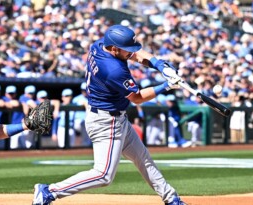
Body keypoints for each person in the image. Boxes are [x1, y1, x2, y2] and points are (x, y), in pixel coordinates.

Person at [32, 25, 186, 205]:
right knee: (103, 175)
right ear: (114, 49)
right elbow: (136, 98)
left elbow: (136, 53)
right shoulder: (114, 70)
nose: (131, 53)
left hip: (114, 117)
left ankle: (171, 199)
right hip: (106, 121)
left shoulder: (99, 45)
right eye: (126, 50)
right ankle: (49, 191)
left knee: (143, 159)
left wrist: (160, 65)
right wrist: (165, 86)